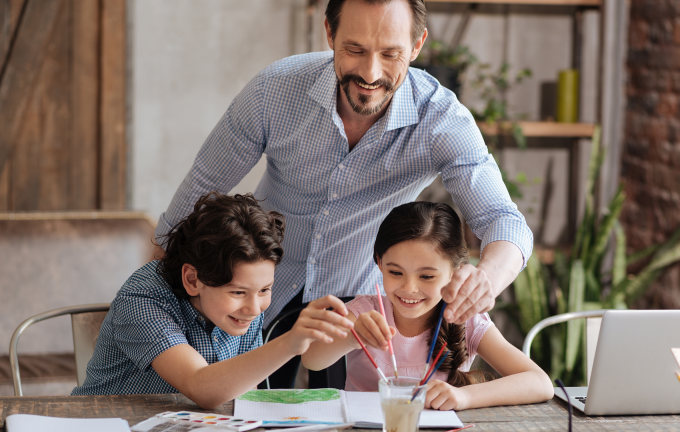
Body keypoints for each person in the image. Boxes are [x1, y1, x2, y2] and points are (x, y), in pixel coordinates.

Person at [155, 0, 533, 388]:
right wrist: (150, 306)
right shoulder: (275, 91)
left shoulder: (440, 119)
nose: (371, 73)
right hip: (259, 299)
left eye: (390, 54)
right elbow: (193, 201)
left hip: (355, 319)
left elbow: (504, 221)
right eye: (354, 50)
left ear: (417, 45)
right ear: (330, 34)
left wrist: (487, 276)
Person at [72, 192, 353, 408]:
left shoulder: (248, 303)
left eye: (265, 290)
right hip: (104, 420)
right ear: (193, 280)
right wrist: (290, 342)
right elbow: (201, 387)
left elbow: (241, 396)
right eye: (237, 292)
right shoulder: (142, 298)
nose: (254, 309)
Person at [302, 202, 553, 410]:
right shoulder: (365, 311)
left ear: (455, 272)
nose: (409, 288)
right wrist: (351, 336)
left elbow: (540, 383)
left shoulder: (467, 319)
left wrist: (464, 397)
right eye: (395, 272)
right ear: (379, 263)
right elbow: (311, 359)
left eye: (426, 276)